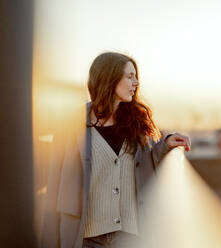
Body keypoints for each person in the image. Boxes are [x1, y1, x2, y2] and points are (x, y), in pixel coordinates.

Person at [41, 52, 191, 248]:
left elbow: (146, 162)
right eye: (130, 76)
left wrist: (166, 143)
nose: (136, 83)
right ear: (109, 78)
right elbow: (54, 185)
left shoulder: (135, 124)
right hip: (85, 238)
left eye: (135, 76)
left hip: (129, 237)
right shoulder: (71, 123)